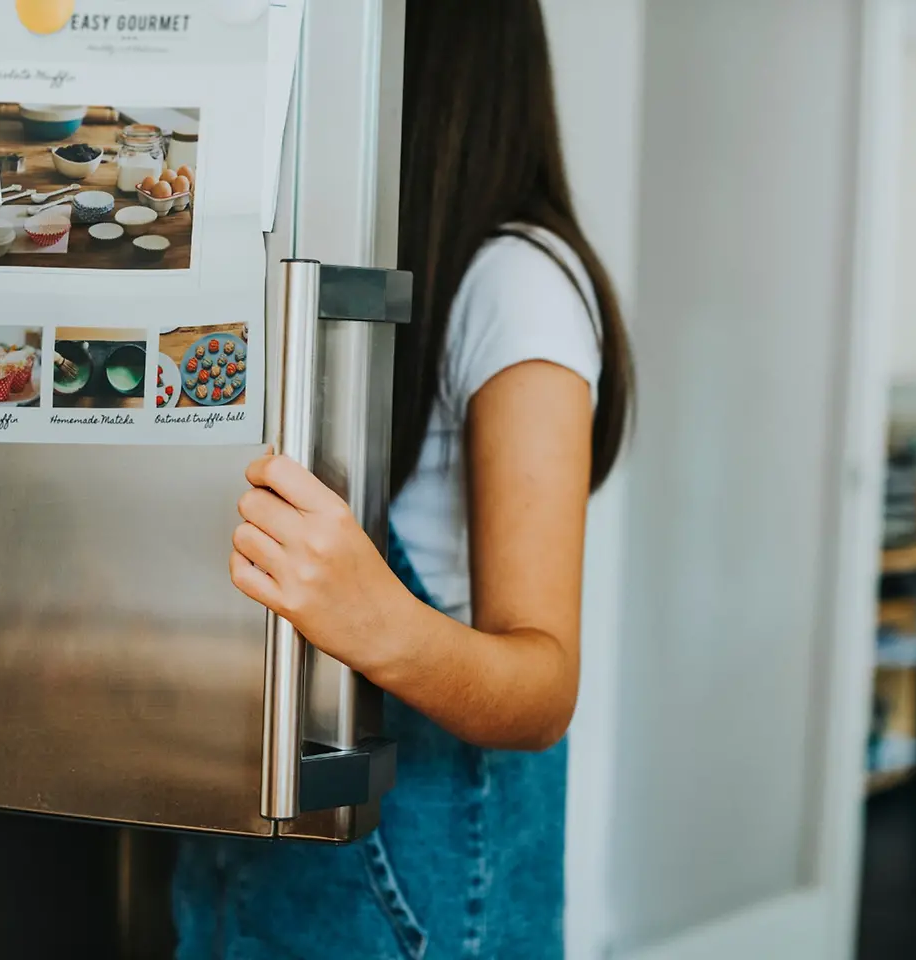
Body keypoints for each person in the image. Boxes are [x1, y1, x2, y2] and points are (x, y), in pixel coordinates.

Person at [172, 0, 634, 956]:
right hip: (244, 869)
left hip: (410, 905)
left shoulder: (518, 284)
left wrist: (369, 615)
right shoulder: (333, 273)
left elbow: (543, 685)